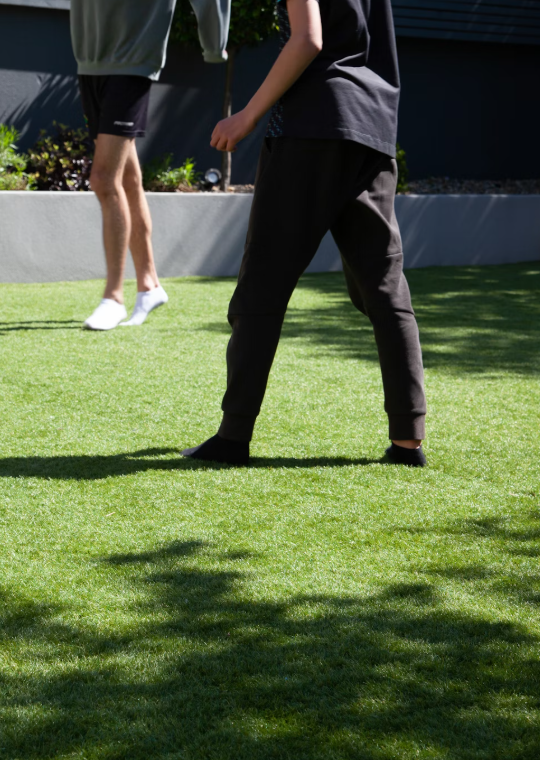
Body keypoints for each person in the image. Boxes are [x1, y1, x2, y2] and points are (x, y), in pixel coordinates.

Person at [182, 0, 428, 466]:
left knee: (262, 286)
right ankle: (408, 441)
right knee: (386, 292)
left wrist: (248, 115)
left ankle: (232, 438)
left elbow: (308, 37)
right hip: (372, 128)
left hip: (309, 130)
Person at [70, 0, 231, 330]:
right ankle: (149, 285)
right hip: (89, 58)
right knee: (127, 179)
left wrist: (214, 44)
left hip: (134, 59)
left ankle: (113, 298)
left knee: (103, 179)